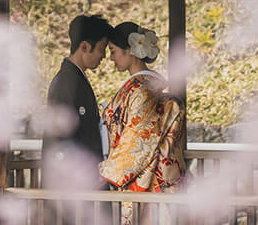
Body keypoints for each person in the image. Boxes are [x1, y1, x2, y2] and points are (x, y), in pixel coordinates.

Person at [99, 22, 186, 195]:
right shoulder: (144, 86)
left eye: (113, 51)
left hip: (148, 178)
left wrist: (106, 169)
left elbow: (136, 140)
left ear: (130, 50)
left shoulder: (141, 90)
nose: (111, 58)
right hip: (149, 174)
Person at [43, 13, 112, 188]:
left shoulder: (74, 79)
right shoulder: (66, 82)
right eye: (102, 48)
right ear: (84, 46)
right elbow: (61, 139)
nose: (103, 55)